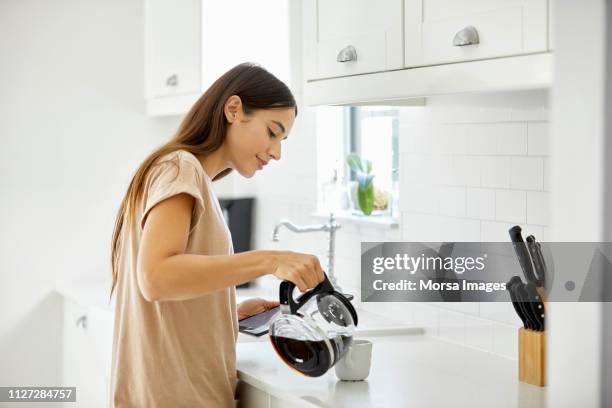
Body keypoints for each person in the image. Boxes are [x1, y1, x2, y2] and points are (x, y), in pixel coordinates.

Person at [108, 62, 325, 407]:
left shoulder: (188, 175)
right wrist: (269, 260)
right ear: (234, 109)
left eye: (282, 140)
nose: (277, 152)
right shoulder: (180, 169)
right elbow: (156, 277)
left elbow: (167, 290)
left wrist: (226, 312)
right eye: (272, 132)